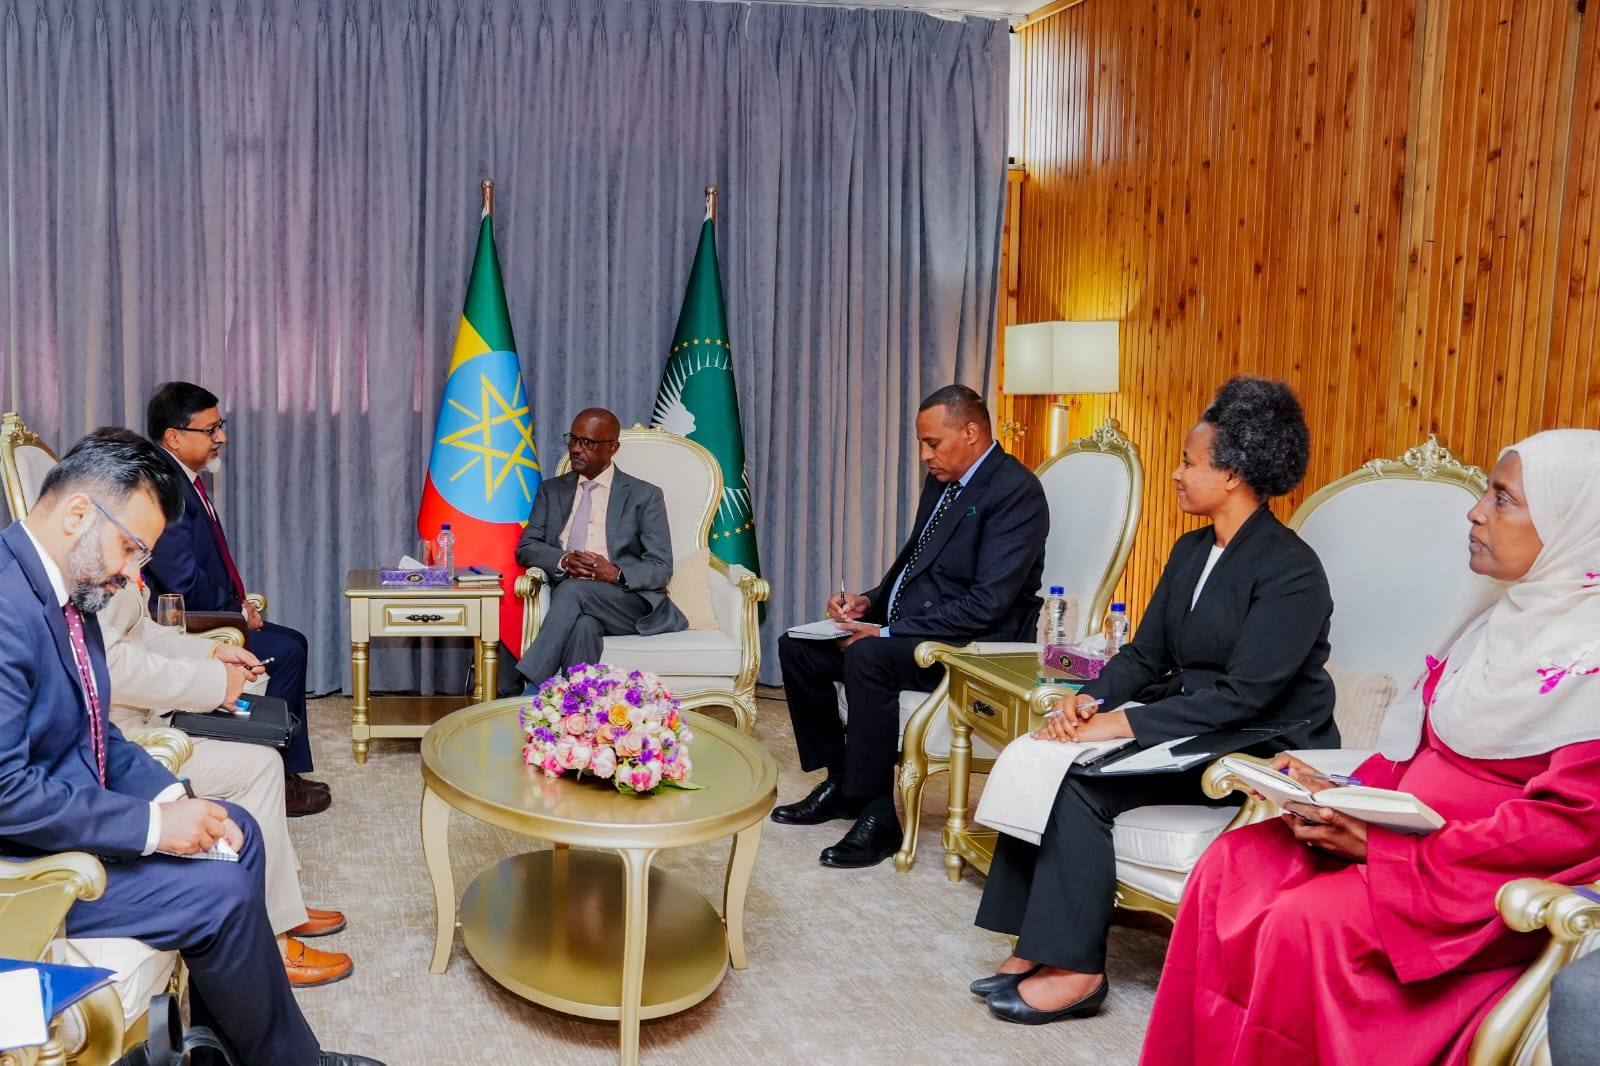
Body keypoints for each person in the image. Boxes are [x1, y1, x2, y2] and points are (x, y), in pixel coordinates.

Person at [1141, 428, 1600, 1064]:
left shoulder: (1590, 660)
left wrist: (1386, 849)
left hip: (1473, 882)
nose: (1475, 511)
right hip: (1403, 839)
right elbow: (1414, 751)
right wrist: (1337, 793)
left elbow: (1568, 825)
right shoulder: (1491, 619)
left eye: (1503, 498)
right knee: (1232, 865)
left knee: (1308, 923)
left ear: (1575, 524)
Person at [0, 428, 379, 1066]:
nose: (133, 574)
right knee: (220, 894)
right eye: (131, 548)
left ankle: (216, 1047)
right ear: (77, 514)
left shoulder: (64, 592)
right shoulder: (8, 606)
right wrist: (153, 826)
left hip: (70, 821)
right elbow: (6, 793)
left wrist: (173, 797)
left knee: (237, 830)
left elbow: (95, 731)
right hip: (30, 869)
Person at [971, 376, 1337, 1024]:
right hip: (1194, 721)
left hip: (1259, 740)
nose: (1175, 474)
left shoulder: (1292, 571)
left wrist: (1120, 726)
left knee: (1080, 784)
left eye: (1189, 463)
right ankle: (1034, 943)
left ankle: (1078, 971)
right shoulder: (1191, 549)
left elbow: (1245, 696)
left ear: (1233, 475)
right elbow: (1144, 655)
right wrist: (1088, 701)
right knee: (1044, 755)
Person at [775, 384, 1049, 869]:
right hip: (916, 627)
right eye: (922, 443)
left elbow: (987, 604)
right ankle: (842, 783)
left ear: (971, 432)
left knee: (866, 656)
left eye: (932, 443)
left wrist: (883, 633)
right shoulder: (944, 481)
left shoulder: (1016, 492)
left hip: (970, 646)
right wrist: (869, 602)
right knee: (797, 646)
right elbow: (915, 567)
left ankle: (880, 816)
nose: (925, 455)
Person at [100, 583, 354, 987]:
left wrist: (211, 652)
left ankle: (281, 909)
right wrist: (212, 682)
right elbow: (113, 665)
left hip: (149, 716)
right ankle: (269, 943)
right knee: (258, 767)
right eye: (136, 552)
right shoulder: (84, 575)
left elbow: (143, 632)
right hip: (125, 742)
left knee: (260, 751)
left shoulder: (104, 565)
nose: (139, 564)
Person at [141, 381, 328, 816]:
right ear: (173, 437)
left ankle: (285, 770)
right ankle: (279, 779)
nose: (221, 437)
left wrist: (240, 606)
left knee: (291, 643)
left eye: (219, 425)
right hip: (185, 621)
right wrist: (236, 614)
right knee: (287, 650)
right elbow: (181, 580)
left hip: (215, 609)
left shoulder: (184, 480)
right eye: (210, 429)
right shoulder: (165, 487)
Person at [512, 407, 687, 690]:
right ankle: (573, 703)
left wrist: (615, 573)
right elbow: (527, 547)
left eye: (588, 443)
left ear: (612, 448)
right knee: (584, 625)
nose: (576, 449)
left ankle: (530, 685)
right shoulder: (551, 490)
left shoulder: (644, 495)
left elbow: (660, 567)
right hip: (571, 601)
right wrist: (564, 560)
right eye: (573, 439)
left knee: (573, 590)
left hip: (626, 601)